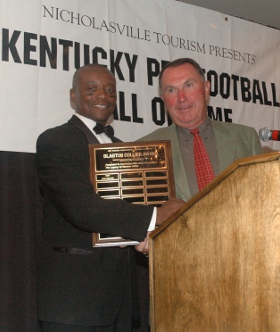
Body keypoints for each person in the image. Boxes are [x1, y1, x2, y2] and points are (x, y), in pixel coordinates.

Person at [36, 63, 184, 332]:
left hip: (120, 299)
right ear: (73, 96)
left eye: (110, 90)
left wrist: (147, 237)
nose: (103, 96)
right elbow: (81, 208)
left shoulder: (120, 148)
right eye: (91, 89)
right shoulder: (55, 141)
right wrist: (155, 215)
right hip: (74, 299)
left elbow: (127, 209)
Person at [139, 57, 263, 201]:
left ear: (206, 89)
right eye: (171, 90)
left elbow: (261, 198)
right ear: (163, 98)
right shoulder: (145, 148)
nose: (182, 98)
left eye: (189, 85)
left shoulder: (246, 138)